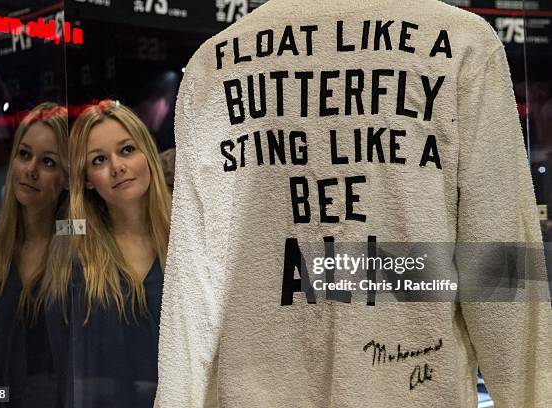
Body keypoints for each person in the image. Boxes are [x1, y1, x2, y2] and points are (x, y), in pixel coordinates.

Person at [156, 0, 551, 407]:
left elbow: (194, 285)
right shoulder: (459, 43)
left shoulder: (216, 64)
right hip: (413, 387)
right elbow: (498, 257)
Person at [47, 100, 170, 407]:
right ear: (87, 178)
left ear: (147, 154)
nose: (117, 166)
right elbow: (62, 364)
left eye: (127, 150)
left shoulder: (187, 240)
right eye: (99, 160)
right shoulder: (73, 255)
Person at [0, 102, 68, 407]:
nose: (31, 171)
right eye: (24, 155)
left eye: (48, 162)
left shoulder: (76, 247)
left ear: (66, 175)